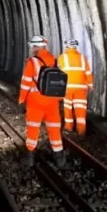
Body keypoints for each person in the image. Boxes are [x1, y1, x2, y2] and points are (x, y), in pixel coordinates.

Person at [18, 35, 66, 167]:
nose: (32, 49)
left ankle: (29, 158)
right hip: (52, 102)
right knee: (54, 129)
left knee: (33, 129)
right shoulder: (54, 60)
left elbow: (26, 83)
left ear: (35, 47)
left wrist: (21, 100)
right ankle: (60, 159)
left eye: (32, 47)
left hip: (36, 102)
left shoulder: (32, 62)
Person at [59, 39, 93, 135]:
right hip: (81, 88)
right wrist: (90, 85)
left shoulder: (62, 58)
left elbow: (59, 73)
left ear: (67, 46)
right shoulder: (82, 58)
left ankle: (68, 128)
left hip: (67, 88)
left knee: (68, 108)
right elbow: (88, 73)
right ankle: (81, 131)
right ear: (76, 47)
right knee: (80, 109)